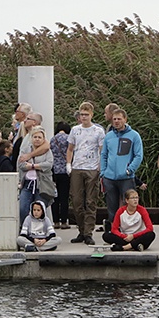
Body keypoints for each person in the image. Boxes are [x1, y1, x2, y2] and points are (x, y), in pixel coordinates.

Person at [67, 102, 105, 246]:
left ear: (91, 115)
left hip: (92, 168)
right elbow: (70, 148)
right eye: (82, 114)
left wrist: (100, 166)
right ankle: (81, 230)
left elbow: (102, 150)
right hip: (77, 167)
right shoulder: (75, 130)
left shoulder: (98, 131)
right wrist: (68, 164)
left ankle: (88, 232)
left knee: (91, 201)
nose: (84, 117)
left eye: (86, 114)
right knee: (77, 201)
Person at [100, 108, 143, 222]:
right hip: (109, 178)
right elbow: (104, 154)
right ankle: (113, 230)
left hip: (126, 178)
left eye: (119, 119)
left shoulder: (134, 135)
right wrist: (103, 172)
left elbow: (138, 155)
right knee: (111, 207)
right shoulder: (108, 136)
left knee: (128, 205)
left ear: (125, 119)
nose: (116, 121)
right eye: (114, 119)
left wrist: (130, 170)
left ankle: (129, 229)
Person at [17, 124, 54, 225]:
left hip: (41, 184)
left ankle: (39, 229)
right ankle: (24, 228)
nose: (37, 139)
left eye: (39, 137)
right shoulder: (25, 150)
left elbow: (48, 164)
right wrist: (28, 166)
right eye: (35, 137)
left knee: (40, 208)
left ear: (43, 139)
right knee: (23, 208)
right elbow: (21, 164)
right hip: (27, 183)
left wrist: (33, 166)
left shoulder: (47, 151)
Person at [50, 121, 71, 229]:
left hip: (54, 170)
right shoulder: (69, 138)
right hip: (65, 170)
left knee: (55, 196)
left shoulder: (53, 139)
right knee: (64, 197)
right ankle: (64, 221)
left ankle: (55, 221)